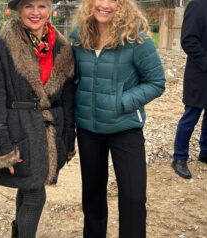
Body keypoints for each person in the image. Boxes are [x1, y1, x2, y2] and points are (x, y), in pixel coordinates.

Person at [0, 0, 76, 237]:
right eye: (28, 6)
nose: (35, 12)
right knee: (35, 194)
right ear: (18, 9)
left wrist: (68, 139)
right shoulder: (4, 44)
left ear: (50, 10)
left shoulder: (63, 47)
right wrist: (1, 146)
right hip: (18, 130)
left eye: (42, 6)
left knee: (29, 188)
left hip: (50, 132)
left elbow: (67, 99)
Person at [70, 0, 165, 237]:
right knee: (92, 195)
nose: (104, 4)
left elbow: (156, 82)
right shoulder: (78, 37)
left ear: (122, 4)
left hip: (124, 127)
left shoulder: (136, 39)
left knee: (133, 197)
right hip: (88, 129)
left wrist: (120, 102)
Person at [171, 0, 207, 179]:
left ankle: (205, 152)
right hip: (199, 75)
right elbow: (188, 40)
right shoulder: (198, 6)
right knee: (191, 115)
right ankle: (179, 157)